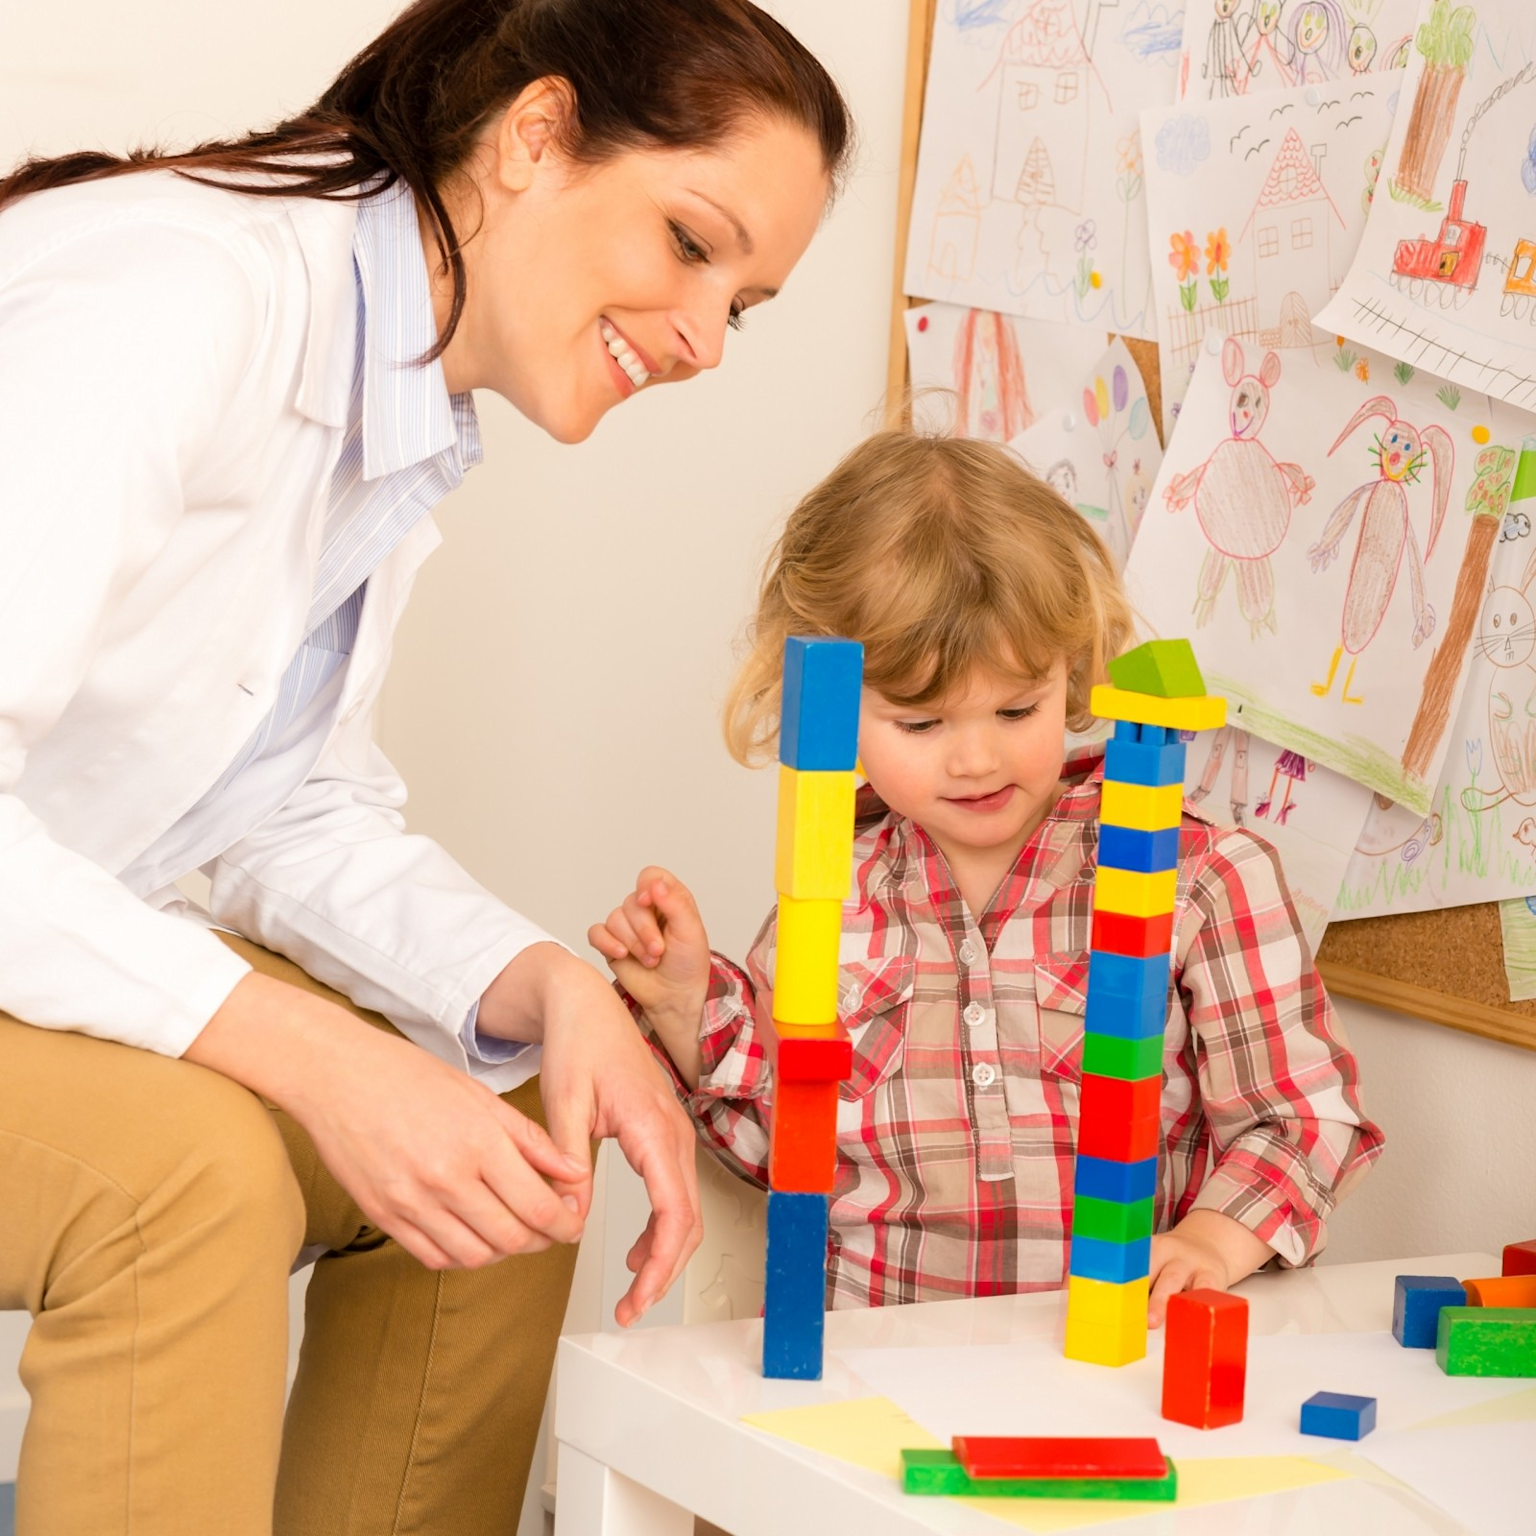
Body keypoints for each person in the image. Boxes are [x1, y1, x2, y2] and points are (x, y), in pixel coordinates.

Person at [0, 1, 852, 1531]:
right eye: (688, 242)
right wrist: (315, 1054)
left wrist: (542, 985)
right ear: (535, 136)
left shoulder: (393, 400)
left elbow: (272, 794)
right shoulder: (173, 299)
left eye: (751, 303)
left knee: (508, 1132)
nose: (706, 339)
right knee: (189, 1176)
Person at [592, 429, 1384, 1316]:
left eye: (1016, 708)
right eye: (921, 725)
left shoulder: (1202, 881)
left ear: (1073, 670)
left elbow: (1302, 1122)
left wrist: (1211, 1241)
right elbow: (782, 1150)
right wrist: (686, 1005)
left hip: (1120, 1354)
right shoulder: (830, 896)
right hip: (879, 1361)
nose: (975, 758)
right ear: (834, 712)